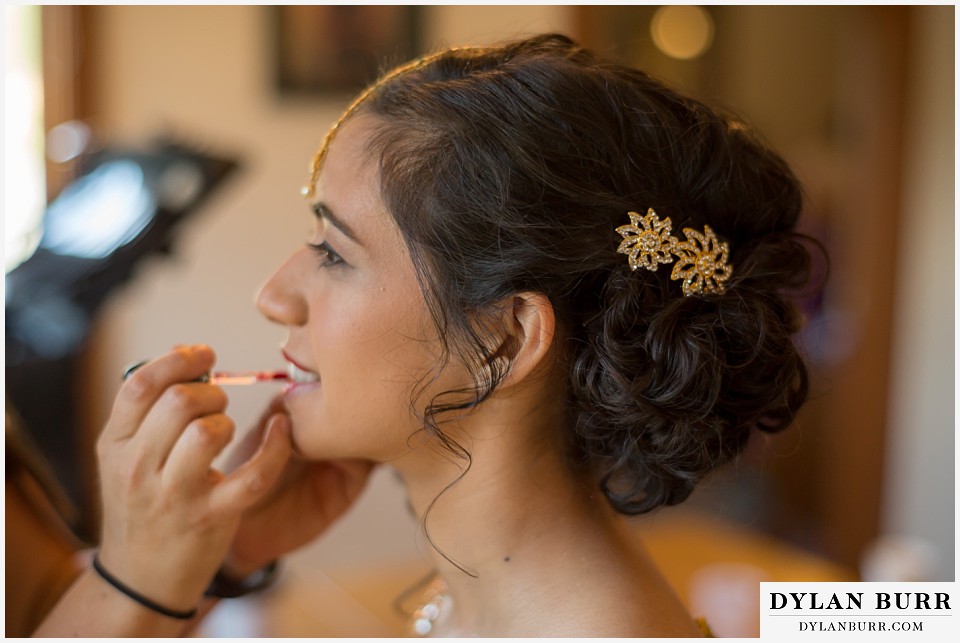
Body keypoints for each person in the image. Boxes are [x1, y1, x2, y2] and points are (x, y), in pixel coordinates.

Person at [33, 33, 815, 636]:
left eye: (335, 254)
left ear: (504, 338)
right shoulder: (471, 595)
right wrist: (206, 561)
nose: (275, 297)